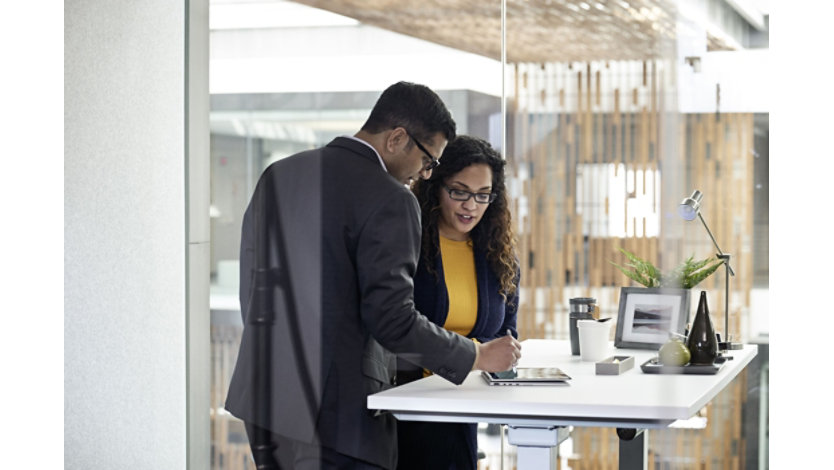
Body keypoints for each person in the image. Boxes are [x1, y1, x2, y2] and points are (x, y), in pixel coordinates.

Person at [224, 82, 522, 470]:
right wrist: (477, 355)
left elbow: (254, 291)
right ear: (398, 138)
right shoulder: (391, 199)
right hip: (338, 417)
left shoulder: (279, 174)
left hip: (265, 400)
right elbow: (391, 319)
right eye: (428, 159)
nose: (425, 173)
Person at [396, 135, 520, 470]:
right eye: (459, 192)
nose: (470, 205)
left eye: (482, 195)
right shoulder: (407, 246)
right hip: (407, 408)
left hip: (464, 409)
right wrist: (473, 356)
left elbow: (506, 333)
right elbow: (394, 326)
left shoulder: (498, 257)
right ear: (436, 187)